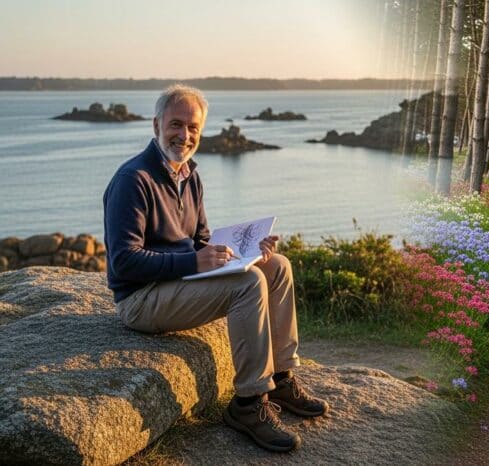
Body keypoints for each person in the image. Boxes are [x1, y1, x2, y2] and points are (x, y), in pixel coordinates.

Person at [103, 84, 327, 453]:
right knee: (247, 284)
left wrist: (249, 251)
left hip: (179, 282)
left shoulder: (189, 175)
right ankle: (248, 404)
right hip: (141, 299)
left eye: (193, 127)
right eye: (176, 125)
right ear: (156, 125)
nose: (184, 135)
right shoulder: (133, 180)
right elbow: (124, 262)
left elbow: (201, 241)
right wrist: (194, 261)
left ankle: (281, 377)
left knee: (277, 267)